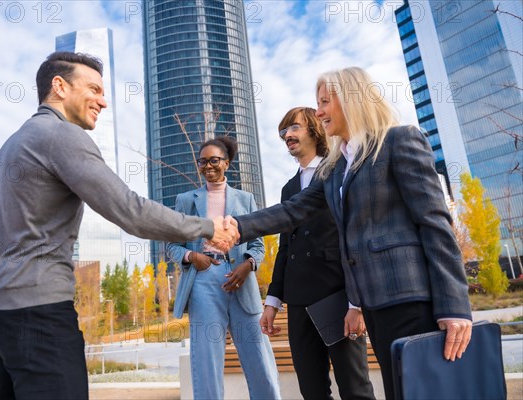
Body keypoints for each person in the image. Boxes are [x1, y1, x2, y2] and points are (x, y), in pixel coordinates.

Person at [0, 52, 237, 400]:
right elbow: (130, 211)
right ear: (60, 87)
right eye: (94, 89)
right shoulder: (61, 136)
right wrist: (207, 228)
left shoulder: (14, 142)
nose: (103, 101)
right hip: (36, 314)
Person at [225, 67, 472, 400]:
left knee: (426, 392)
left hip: (412, 300)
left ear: (353, 99)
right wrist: (236, 226)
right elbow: (291, 211)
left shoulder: (399, 140)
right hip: (374, 305)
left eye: (326, 102)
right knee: (402, 391)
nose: (320, 111)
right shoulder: (336, 168)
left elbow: (435, 224)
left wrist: (454, 305)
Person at [260, 107, 374, 399]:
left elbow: (356, 237)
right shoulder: (288, 189)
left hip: (336, 296)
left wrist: (357, 304)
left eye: (294, 128)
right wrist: (272, 301)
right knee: (312, 392)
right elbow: (286, 247)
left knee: (355, 389)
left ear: (315, 129)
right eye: (284, 132)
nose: (288, 136)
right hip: (298, 302)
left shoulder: (341, 171)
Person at [166, 136, 281, 400]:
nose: (208, 166)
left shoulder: (246, 198)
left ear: (226, 163)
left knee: (259, 357)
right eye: (202, 161)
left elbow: (258, 245)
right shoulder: (186, 200)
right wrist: (193, 256)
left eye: (214, 160)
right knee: (206, 360)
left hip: (241, 278)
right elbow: (172, 246)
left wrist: (248, 265)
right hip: (204, 281)